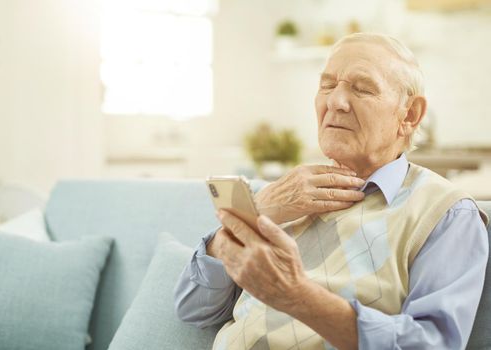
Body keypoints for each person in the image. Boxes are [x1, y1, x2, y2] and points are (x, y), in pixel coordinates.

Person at [173, 33, 489, 350]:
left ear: (409, 115)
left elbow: (431, 345)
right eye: (327, 85)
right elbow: (194, 308)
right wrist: (257, 212)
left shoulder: (447, 214)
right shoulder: (289, 193)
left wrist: (295, 296)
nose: (335, 102)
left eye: (362, 88)